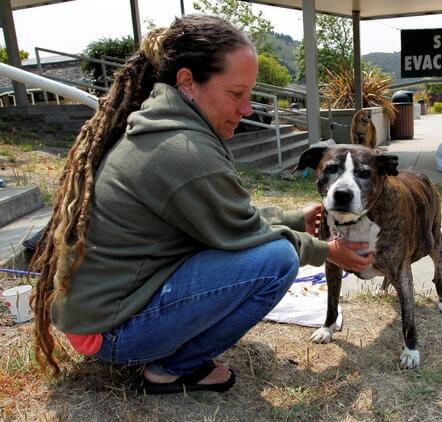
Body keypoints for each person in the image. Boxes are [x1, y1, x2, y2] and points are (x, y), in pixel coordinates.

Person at [30, 15, 373, 395]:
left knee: (272, 247)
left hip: (101, 316)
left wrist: (294, 219)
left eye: (250, 94)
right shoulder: (183, 151)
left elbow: (227, 217)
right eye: (235, 94)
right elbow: (244, 234)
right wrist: (329, 251)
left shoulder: (166, 126)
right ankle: (170, 369)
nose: (247, 110)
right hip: (111, 332)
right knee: (278, 260)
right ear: (188, 82)